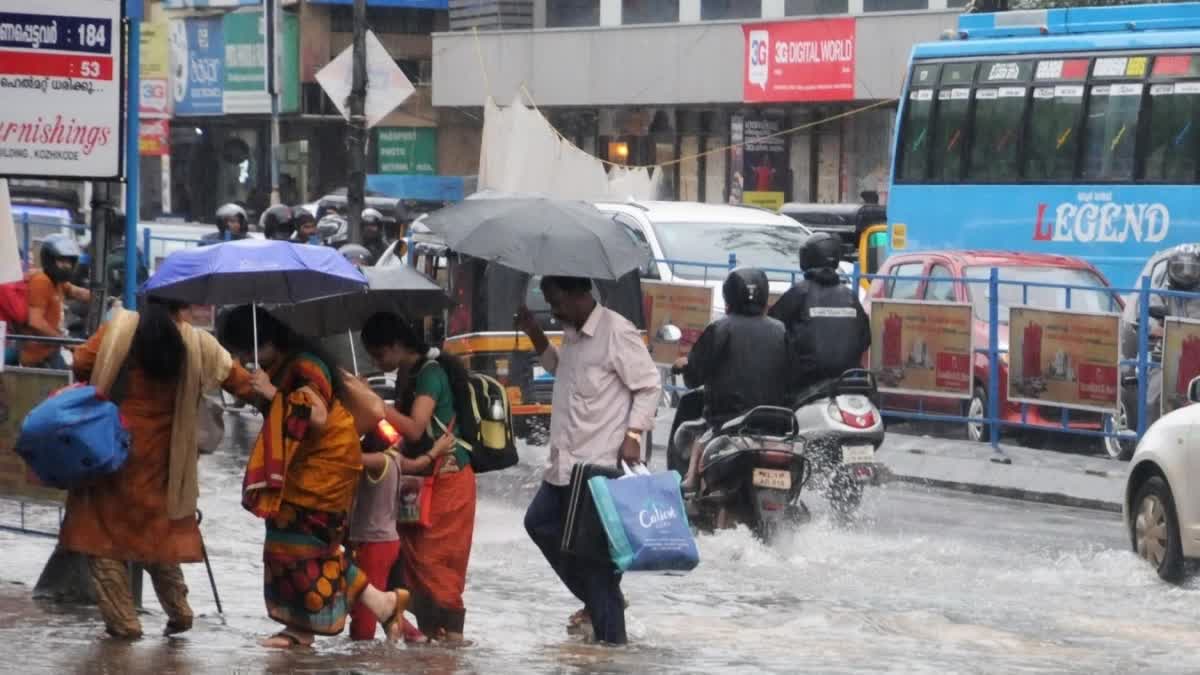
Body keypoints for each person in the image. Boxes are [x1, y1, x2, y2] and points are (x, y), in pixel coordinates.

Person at [59, 299, 257, 638]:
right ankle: (179, 610)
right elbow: (242, 385)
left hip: (112, 452)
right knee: (159, 534)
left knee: (101, 539)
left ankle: (124, 623)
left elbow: (81, 363)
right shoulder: (199, 344)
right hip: (166, 461)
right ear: (184, 309)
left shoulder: (120, 329)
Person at [218, 306, 410, 648]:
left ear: (265, 340)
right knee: (320, 548)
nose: (246, 358)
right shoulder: (282, 364)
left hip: (326, 467)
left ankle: (301, 630)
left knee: (297, 546)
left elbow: (317, 416)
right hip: (308, 467)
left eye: (247, 351)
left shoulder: (306, 365)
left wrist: (273, 394)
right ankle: (383, 604)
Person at [516, 276, 661, 645]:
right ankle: (601, 601)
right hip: (565, 462)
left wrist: (633, 434)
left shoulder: (616, 331)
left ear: (579, 295)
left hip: (598, 466)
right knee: (539, 523)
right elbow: (560, 367)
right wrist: (534, 333)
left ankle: (612, 648)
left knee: (595, 563)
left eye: (556, 301)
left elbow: (648, 385)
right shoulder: (572, 332)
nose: (553, 310)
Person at [360, 311, 477, 644]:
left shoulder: (430, 374)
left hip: (448, 481)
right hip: (421, 481)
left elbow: (412, 428)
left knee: (436, 561)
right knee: (411, 559)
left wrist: (376, 405)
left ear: (397, 345)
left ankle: (452, 639)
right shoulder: (408, 372)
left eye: (379, 354)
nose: (377, 361)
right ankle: (432, 641)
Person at [674, 268, 789, 491]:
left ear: (729, 298)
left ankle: (691, 484)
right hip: (775, 425)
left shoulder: (719, 329)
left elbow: (694, 376)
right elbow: (794, 373)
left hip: (725, 423)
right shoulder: (782, 330)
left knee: (690, 437)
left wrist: (685, 366)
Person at [348, 432, 456, 642]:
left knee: (365, 608)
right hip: (390, 541)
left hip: (374, 544)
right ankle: (415, 637)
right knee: (380, 598)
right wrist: (435, 452)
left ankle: (361, 649)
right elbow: (417, 465)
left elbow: (348, 457)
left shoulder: (378, 461)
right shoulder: (395, 458)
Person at [768, 232, 871, 399]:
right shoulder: (850, 296)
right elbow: (865, 337)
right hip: (847, 382)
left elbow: (773, 330)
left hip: (804, 384)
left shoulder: (799, 293)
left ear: (806, 258)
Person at [19, 234, 91, 369]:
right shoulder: (41, 281)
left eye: (69, 262)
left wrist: (106, 297)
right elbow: (35, 321)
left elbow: (77, 292)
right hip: (37, 357)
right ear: (49, 260)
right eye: (61, 261)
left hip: (51, 351)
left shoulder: (57, 281)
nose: (66, 266)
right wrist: (63, 339)